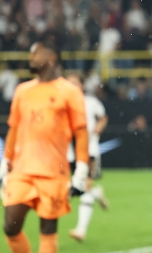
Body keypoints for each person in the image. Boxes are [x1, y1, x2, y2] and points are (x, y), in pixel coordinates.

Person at [0, 36, 89, 253]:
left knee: (48, 228)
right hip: (22, 170)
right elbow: (13, 130)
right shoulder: (22, 90)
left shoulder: (70, 91)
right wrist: (5, 162)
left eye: (35, 53)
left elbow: (81, 133)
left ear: (51, 58)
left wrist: (81, 169)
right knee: (10, 225)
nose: (30, 58)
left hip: (54, 171)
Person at [66, 73, 110, 242]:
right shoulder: (62, 104)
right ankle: (97, 193)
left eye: (74, 83)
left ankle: (81, 229)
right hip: (70, 153)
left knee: (84, 186)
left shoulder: (90, 103)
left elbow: (103, 117)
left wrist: (99, 127)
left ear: (81, 86)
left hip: (89, 151)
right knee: (78, 186)